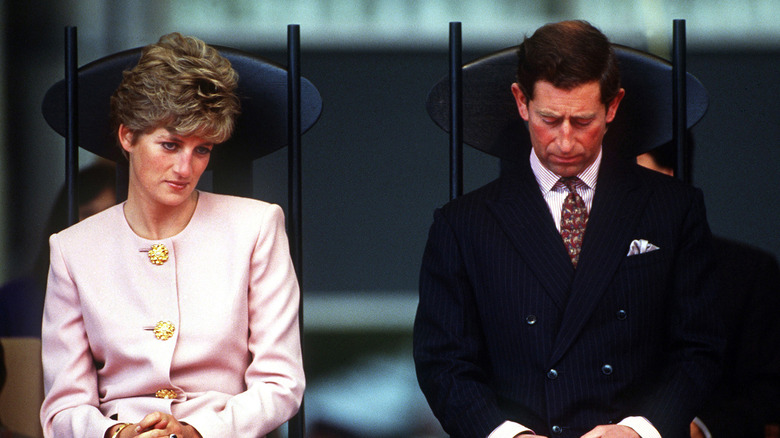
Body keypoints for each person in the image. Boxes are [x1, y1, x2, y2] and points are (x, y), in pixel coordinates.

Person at [413, 20, 724, 438]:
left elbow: (700, 348)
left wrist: (638, 430)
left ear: (613, 107)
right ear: (521, 102)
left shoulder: (673, 208)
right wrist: (507, 434)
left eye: (582, 121)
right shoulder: (463, 225)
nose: (563, 141)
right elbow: (443, 362)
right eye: (548, 118)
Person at [39, 33, 304, 438]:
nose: (186, 167)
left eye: (202, 149)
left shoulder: (257, 226)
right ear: (128, 137)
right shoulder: (73, 248)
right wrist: (118, 434)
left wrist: (196, 431)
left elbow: (281, 384)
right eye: (170, 144)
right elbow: (64, 406)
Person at [638, 145, 780, 438]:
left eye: (630, 171)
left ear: (667, 178)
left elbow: (767, 392)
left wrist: (701, 427)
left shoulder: (745, 272)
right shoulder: (575, 267)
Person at [0, 160, 116, 338]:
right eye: (88, 213)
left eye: (109, 213)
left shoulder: (136, 295)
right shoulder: (15, 302)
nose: (98, 223)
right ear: (64, 219)